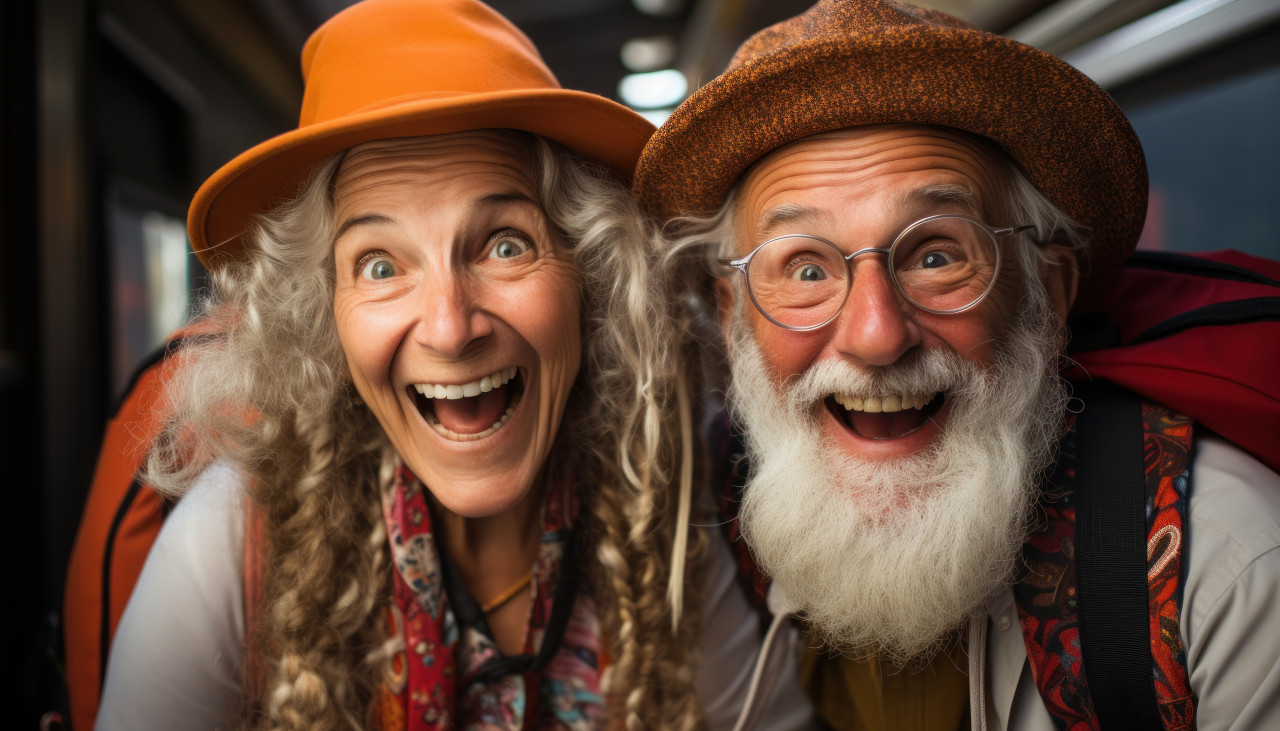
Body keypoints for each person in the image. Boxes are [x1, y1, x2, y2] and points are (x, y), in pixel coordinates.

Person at [94, 0, 815, 728]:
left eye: (505, 244)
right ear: (324, 317)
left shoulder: (662, 487)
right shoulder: (233, 537)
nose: (448, 327)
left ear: (589, 275)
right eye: (379, 265)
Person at [636, 0, 1280, 729]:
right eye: (806, 269)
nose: (877, 336)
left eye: (937, 255)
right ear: (732, 317)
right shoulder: (716, 529)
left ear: (1049, 291)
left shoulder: (1231, 574)